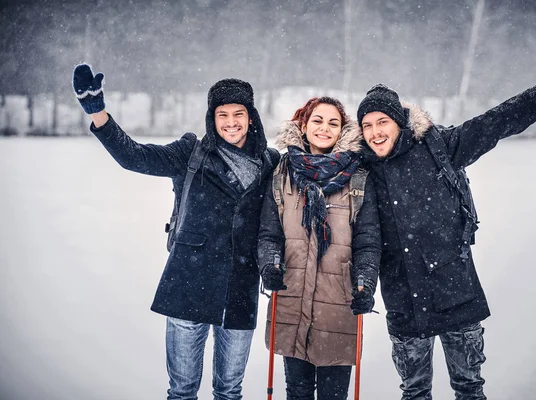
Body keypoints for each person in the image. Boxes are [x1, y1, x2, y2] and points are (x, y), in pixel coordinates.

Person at [356, 51, 536, 399]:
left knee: (469, 388)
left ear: (399, 122)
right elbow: (364, 237)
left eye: (381, 122)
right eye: (367, 125)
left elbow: (496, 122)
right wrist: (362, 286)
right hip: (404, 299)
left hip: (455, 290)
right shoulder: (361, 171)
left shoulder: (438, 146)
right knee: (414, 392)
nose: (374, 133)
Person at [72, 64, 280, 400]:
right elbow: (134, 156)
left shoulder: (270, 163)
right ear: (211, 119)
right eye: (222, 114)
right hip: (188, 283)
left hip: (239, 288)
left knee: (229, 391)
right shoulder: (190, 152)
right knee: (182, 390)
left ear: (251, 117)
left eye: (238, 113)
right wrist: (99, 114)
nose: (230, 122)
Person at [257, 97, 381, 399]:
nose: (324, 128)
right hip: (291, 298)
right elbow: (269, 233)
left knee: (333, 395)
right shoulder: (282, 172)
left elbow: (367, 240)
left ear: (342, 131)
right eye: (317, 120)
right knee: (297, 392)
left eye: (333, 123)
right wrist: (270, 264)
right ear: (303, 124)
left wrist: (364, 282)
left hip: (338, 302)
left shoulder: (358, 178)